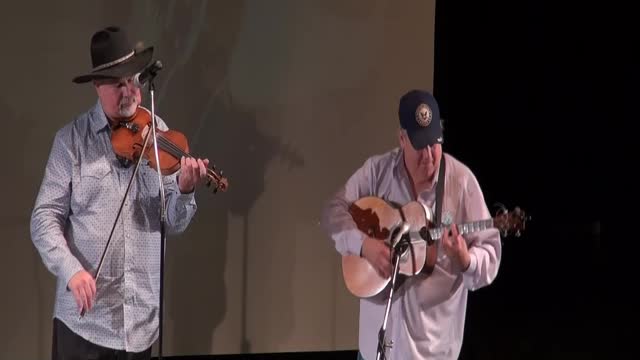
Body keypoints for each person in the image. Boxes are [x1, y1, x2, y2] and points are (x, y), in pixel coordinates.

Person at [30, 26, 210, 360]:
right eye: (117, 84)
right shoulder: (71, 141)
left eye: (133, 81)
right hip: (85, 323)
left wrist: (184, 191)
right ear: (97, 86)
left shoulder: (159, 134)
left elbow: (174, 222)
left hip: (140, 324)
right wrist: (72, 270)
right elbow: (43, 220)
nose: (129, 92)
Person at [321, 89, 502, 359]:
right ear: (402, 138)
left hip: (433, 351)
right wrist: (364, 246)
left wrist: (466, 260)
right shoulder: (377, 171)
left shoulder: (462, 182)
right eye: (420, 145)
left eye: (434, 143)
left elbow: (489, 254)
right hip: (375, 350)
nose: (429, 155)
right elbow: (331, 212)